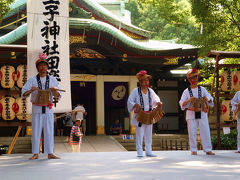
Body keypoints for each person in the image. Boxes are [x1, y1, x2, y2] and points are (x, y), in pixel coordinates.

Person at [21, 53, 61, 160]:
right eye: (40, 65)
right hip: (37, 108)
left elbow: (58, 96)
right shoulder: (32, 80)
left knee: (49, 130)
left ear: (47, 67)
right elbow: (23, 94)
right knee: (36, 131)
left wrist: (55, 91)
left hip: (48, 108)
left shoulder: (53, 79)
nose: (43, 67)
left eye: (45, 65)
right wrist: (31, 90)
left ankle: (50, 153)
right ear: (37, 67)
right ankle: (35, 153)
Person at [179, 68, 215, 155]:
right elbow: (181, 103)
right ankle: (193, 150)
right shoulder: (186, 91)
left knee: (205, 130)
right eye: (192, 78)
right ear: (189, 80)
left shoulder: (202, 89)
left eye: (195, 77)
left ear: (198, 78)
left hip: (202, 112)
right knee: (192, 132)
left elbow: (210, 100)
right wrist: (189, 100)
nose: (194, 80)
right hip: (191, 113)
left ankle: (207, 149)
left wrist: (208, 99)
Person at [127, 70, 162, 157]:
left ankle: (148, 151)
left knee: (149, 134)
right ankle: (139, 151)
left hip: (149, 115)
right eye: (144, 80)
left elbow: (156, 98)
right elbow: (130, 101)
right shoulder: (135, 91)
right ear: (140, 81)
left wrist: (158, 102)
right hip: (140, 115)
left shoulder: (151, 91)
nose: (146, 82)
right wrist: (135, 105)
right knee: (139, 134)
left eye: (147, 80)